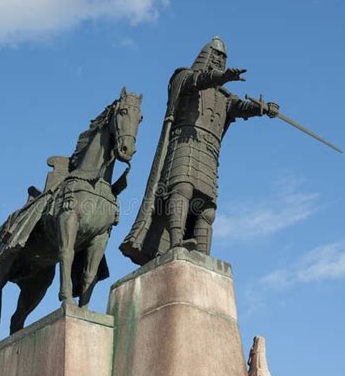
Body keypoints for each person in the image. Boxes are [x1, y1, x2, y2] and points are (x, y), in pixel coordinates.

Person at [120, 36, 279, 264]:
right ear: (204, 55)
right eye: (214, 55)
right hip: (185, 142)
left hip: (209, 151)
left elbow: (241, 108)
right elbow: (196, 81)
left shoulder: (225, 97)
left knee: (207, 209)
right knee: (182, 189)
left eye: (222, 58)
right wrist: (220, 77)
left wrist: (262, 108)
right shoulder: (183, 77)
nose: (218, 61)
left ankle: (202, 257)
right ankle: (175, 243)